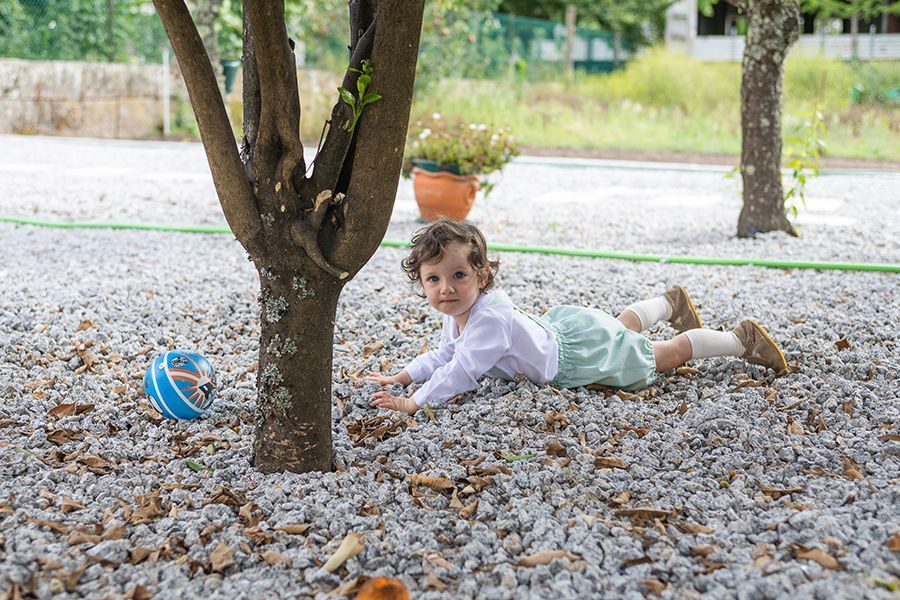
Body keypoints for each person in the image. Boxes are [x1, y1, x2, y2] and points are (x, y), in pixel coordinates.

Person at [367, 218, 787, 415]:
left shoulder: (488, 321)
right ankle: (668, 303)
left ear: (481, 274)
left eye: (458, 275)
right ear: (421, 283)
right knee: (618, 329)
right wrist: (404, 376)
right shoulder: (457, 310)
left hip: (572, 360)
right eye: (434, 279)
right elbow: (443, 355)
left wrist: (414, 402)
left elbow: (460, 371)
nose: (446, 288)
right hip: (569, 332)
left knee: (661, 355)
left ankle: (740, 340)